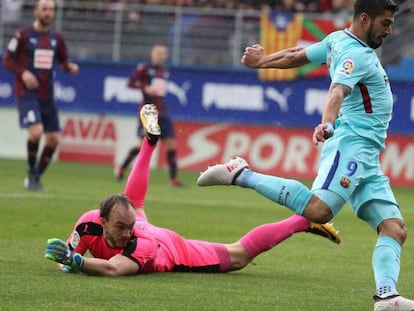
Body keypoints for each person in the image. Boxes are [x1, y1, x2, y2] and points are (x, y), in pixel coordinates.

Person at [197, 1, 414, 310]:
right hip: (350, 146)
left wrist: (262, 61)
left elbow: (296, 55)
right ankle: (241, 173)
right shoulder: (355, 54)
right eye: (386, 22)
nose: (390, 30)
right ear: (365, 19)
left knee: (394, 228)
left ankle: (386, 296)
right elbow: (337, 91)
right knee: (319, 210)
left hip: (368, 157)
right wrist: (327, 122)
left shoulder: (337, 40)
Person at [45, 104, 340, 277]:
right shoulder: (87, 223)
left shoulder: (139, 241)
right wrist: (67, 258)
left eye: (128, 227)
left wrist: (76, 261)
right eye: (121, 227)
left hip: (169, 248)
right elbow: (69, 259)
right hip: (144, 227)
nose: (126, 233)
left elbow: (111, 269)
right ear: (102, 220)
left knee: (238, 256)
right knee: (133, 201)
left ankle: (303, 219)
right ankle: (150, 142)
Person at [2, 0, 79, 191]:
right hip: (27, 93)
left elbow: (63, 60)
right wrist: (24, 73)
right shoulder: (23, 35)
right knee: (36, 132)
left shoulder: (56, 38)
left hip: (47, 95)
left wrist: (69, 67)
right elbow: (7, 60)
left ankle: (35, 177)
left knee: (53, 139)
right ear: (36, 11)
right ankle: (30, 172)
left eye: (51, 10)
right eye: (44, 9)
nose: (48, 13)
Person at [114, 43, 184, 187]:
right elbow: (130, 83)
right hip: (149, 112)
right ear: (152, 54)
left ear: (166, 56)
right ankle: (121, 168)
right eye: (157, 52)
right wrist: (145, 87)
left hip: (163, 112)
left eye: (163, 53)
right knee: (141, 145)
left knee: (171, 145)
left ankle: (174, 179)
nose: (160, 55)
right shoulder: (144, 69)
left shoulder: (164, 71)